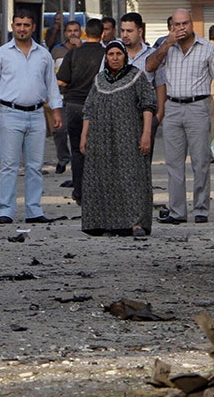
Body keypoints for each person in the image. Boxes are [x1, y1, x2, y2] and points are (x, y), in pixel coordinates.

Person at [145, 8, 214, 225]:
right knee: (173, 163)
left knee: (200, 162)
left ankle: (201, 209)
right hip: (172, 107)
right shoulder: (166, 47)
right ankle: (177, 211)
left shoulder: (208, 49)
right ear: (171, 27)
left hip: (198, 107)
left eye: (185, 24)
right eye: (176, 25)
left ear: (192, 24)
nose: (181, 28)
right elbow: (149, 67)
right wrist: (166, 44)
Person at [0, 8, 64, 225]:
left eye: (26, 25)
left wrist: (56, 110)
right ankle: (7, 211)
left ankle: (34, 210)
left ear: (33, 27)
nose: (22, 29)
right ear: (12, 26)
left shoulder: (44, 54)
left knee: (35, 165)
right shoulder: (0, 54)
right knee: (9, 165)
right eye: (18, 24)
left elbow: (51, 86)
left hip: (37, 114)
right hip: (10, 113)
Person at [79, 40, 157, 238]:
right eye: (111, 54)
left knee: (132, 178)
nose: (114, 58)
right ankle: (106, 223)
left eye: (118, 54)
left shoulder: (136, 77)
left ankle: (136, 223)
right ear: (106, 57)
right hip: (100, 139)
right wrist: (84, 135)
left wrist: (146, 134)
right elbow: (88, 109)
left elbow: (148, 105)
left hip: (129, 138)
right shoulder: (99, 80)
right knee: (105, 178)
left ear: (125, 56)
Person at [56, 18, 105, 205]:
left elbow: (62, 81)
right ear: (102, 34)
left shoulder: (74, 54)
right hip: (99, 106)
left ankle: (79, 191)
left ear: (85, 33)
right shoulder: (107, 53)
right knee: (99, 150)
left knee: (77, 149)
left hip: (75, 106)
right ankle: (98, 190)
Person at [50, 19, 82, 173]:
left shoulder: (85, 49)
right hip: (61, 96)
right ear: (65, 33)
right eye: (69, 31)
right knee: (59, 130)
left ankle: (81, 160)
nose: (72, 34)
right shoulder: (57, 51)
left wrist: (79, 48)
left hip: (79, 97)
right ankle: (63, 158)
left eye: (75, 31)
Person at [119, 12, 155, 83]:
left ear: (140, 32)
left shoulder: (152, 54)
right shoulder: (113, 53)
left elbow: (160, 85)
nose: (125, 35)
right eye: (122, 31)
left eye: (129, 31)